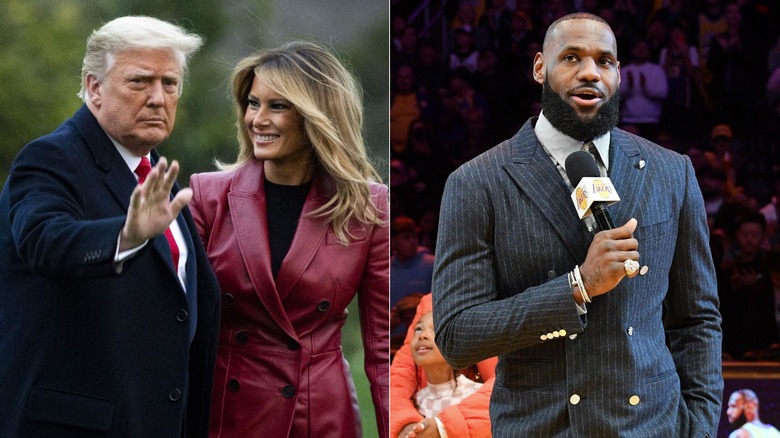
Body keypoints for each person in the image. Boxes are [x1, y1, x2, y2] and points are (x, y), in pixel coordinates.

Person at [432, 12, 723, 436]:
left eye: (604, 61)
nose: (590, 72)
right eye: (571, 57)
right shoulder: (476, 182)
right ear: (539, 68)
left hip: (654, 426)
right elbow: (457, 335)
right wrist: (577, 286)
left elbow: (697, 319)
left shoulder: (671, 172)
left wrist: (699, 426)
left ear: (619, 74)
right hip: (542, 428)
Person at [0, 16, 221, 436]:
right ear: (95, 87)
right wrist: (126, 236)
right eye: (140, 82)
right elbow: (45, 241)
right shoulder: (50, 158)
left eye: (169, 84)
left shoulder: (156, 173)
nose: (158, 98)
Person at [188, 41, 389, 437]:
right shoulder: (206, 196)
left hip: (318, 417)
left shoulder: (370, 208)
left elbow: (384, 349)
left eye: (277, 106)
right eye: (252, 103)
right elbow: (175, 326)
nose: (257, 119)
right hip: (228, 414)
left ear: (317, 114)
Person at [391, 293, 496, 438]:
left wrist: (443, 427)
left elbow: (509, 391)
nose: (422, 335)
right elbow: (400, 376)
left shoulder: (471, 391)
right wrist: (405, 425)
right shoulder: (418, 399)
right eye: (418, 329)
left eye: (434, 330)